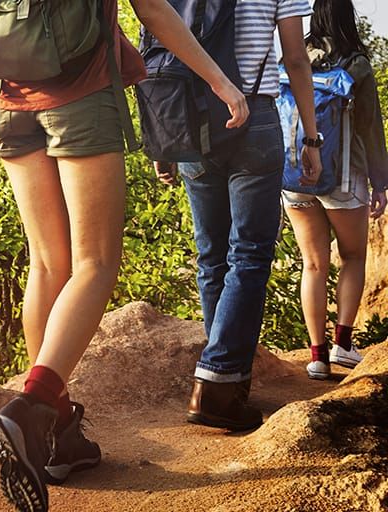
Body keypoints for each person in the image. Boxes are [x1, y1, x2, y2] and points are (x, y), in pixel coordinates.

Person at [0, 0, 249, 510]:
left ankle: (59, 435)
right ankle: (31, 410)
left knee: (45, 264)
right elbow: (154, 10)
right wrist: (221, 82)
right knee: (95, 263)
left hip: (1, 102)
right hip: (80, 99)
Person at [156, 0, 319, 432]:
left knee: (212, 256)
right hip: (254, 115)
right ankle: (217, 380)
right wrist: (311, 136)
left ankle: (228, 379)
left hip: (190, 114)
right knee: (248, 253)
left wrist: (165, 139)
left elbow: (161, 37)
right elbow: (296, 59)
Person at [281, 0, 388, 380]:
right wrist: (381, 181)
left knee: (312, 263)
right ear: (348, 17)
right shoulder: (356, 64)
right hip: (344, 176)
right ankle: (343, 342)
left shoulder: (292, 58)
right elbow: (370, 128)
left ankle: (316, 356)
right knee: (353, 256)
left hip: (295, 176)